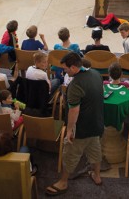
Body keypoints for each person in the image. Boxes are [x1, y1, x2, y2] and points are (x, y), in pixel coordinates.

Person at [44, 52, 103, 195]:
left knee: (70, 154)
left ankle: (63, 182)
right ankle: (97, 176)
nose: (64, 71)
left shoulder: (75, 85)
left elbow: (73, 112)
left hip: (81, 129)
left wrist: (69, 131)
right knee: (95, 150)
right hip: (97, 124)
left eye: (65, 69)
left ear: (74, 67)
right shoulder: (96, 74)